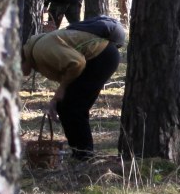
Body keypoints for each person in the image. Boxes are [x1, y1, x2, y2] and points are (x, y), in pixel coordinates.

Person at [21, 18, 125, 160]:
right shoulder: (36, 54)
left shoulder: (41, 51)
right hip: (97, 59)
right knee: (65, 107)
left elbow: (76, 63)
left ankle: (84, 157)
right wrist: (57, 98)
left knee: (74, 109)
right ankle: (79, 153)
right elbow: (68, 74)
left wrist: (61, 90)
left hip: (102, 57)